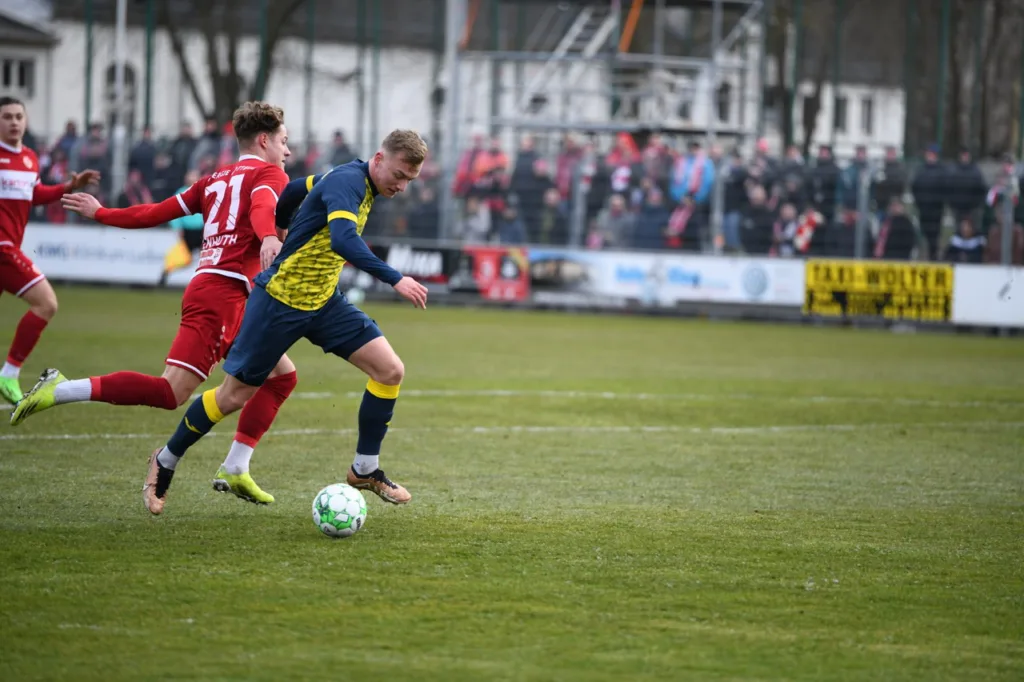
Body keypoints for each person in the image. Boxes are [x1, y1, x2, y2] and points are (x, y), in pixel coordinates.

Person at [11, 102, 298, 515]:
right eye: (284, 142)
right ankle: (62, 389)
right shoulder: (270, 173)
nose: (287, 152)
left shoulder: (213, 179)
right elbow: (260, 208)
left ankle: (236, 466)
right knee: (169, 392)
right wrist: (270, 235)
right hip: (223, 295)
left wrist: (102, 212)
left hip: (230, 295)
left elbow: (155, 212)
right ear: (265, 140)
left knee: (282, 376)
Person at [135, 130, 430, 515]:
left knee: (390, 370)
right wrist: (396, 278)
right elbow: (343, 239)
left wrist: (280, 224)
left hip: (323, 302)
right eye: (400, 174)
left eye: (410, 180)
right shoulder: (347, 183)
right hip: (278, 303)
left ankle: (364, 468)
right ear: (378, 158)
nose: (403, 186)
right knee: (232, 396)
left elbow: (293, 189)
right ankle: (166, 459)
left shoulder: (340, 178)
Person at [0, 96, 99, 405]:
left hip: (10, 246)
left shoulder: (29, 158)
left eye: (19, 116)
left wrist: (68, 187)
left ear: (26, 121)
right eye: (7, 117)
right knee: (47, 303)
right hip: (2, 248)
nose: (14, 122)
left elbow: (35, 195)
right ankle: (9, 373)